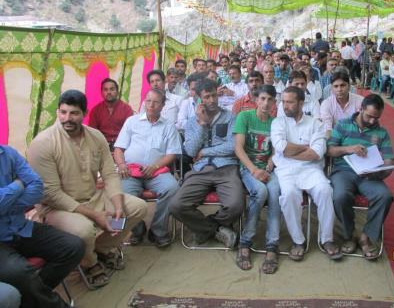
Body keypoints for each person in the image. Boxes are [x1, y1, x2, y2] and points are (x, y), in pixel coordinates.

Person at [27, 90, 147, 288]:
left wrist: (117, 203)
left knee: (137, 207)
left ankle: (100, 249)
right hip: (57, 207)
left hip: (93, 196)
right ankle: (89, 263)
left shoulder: (95, 136)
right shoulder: (43, 143)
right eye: (63, 112)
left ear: (85, 113)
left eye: (74, 113)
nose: (67, 118)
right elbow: (51, 194)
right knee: (83, 230)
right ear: (57, 112)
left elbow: (109, 173)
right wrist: (95, 215)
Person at [0, 144, 85, 307]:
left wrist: (7, 202)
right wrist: (19, 184)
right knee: (21, 272)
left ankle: (29, 300)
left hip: (21, 227)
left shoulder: (9, 153)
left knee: (73, 247)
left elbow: (37, 188)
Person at [170, 78, 244, 248]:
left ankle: (204, 229)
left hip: (227, 168)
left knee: (236, 205)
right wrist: (202, 124)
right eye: (206, 97)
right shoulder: (191, 123)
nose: (211, 100)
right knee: (176, 205)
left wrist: (205, 151)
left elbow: (233, 147)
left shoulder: (231, 117)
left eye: (214, 95)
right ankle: (217, 230)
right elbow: (189, 151)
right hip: (200, 170)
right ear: (198, 99)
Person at [271, 86, 339, 261]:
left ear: (301, 103)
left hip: (311, 168)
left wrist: (291, 150)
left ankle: (327, 239)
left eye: (290, 102)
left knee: (325, 190)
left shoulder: (316, 124)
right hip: (285, 170)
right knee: (288, 195)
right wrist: (304, 147)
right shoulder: (278, 122)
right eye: (283, 102)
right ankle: (298, 240)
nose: (285, 106)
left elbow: (316, 153)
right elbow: (281, 148)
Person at [327, 94, 394, 260]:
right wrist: (348, 149)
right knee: (340, 196)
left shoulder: (381, 132)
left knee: (385, 196)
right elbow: (329, 150)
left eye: (376, 118)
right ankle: (349, 234)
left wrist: (383, 171)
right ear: (361, 109)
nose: (372, 121)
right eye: (369, 116)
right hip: (343, 171)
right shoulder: (343, 125)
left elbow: (389, 159)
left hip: (369, 175)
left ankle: (366, 236)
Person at [114, 88, 182, 248]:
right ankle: (137, 229)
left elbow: (172, 154)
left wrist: (155, 166)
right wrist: (122, 164)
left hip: (157, 172)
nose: (151, 105)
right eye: (148, 101)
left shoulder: (168, 126)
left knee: (172, 187)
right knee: (123, 193)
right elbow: (118, 149)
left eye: (156, 102)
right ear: (144, 101)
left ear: (163, 105)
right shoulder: (132, 121)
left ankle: (158, 231)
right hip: (130, 171)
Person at [234, 85, 281, 274]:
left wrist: (271, 160)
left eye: (270, 100)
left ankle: (272, 245)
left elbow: (277, 149)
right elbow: (238, 148)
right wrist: (254, 170)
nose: (266, 103)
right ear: (256, 100)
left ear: (274, 103)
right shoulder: (244, 117)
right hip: (248, 167)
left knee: (275, 192)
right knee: (260, 191)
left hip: (268, 169)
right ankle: (245, 242)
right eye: (262, 98)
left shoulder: (276, 122)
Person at [88, 78, 133, 150]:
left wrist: (119, 149)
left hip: (122, 146)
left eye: (112, 89)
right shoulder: (95, 110)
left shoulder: (127, 109)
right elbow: (92, 133)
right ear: (101, 92)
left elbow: (130, 132)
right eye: (105, 89)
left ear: (117, 91)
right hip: (102, 147)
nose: (109, 92)